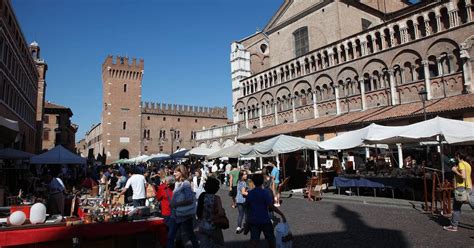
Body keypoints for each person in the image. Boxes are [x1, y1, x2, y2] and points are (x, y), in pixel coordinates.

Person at [246, 174, 286, 248]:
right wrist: (281, 213)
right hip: (264, 219)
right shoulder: (264, 193)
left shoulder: (250, 193)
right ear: (262, 182)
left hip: (254, 219)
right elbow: (271, 206)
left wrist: (247, 221)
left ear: (253, 182)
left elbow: (247, 208)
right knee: (271, 239)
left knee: (254, 241)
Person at [167, 165, 199, 248]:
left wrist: (176, 204)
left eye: (176, 172)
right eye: (174, 171)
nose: (174, 173)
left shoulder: (186, 184)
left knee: (190, 235)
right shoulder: (177, 183)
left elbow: (189, 200)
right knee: (170, 236)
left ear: (182, 172)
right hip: (175, 214)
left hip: (184, 214)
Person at [443, 151, 472, 232]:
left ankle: (453, 226)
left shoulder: (461, 163)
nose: (455, 157)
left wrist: (455, 170)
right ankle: (453, 225)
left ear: (458, 156)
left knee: (456, 208)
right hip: (469, 187)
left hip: (461, 188)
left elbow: (463, 176)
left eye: (455, 156)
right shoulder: (467, 164)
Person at [197, 177, 225, 247]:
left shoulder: (202, 196)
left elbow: (198, 210)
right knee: (218, 244)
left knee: (204, 245)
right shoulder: (217, 198)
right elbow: (221, 213)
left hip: (203, 225)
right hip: (214, 226)